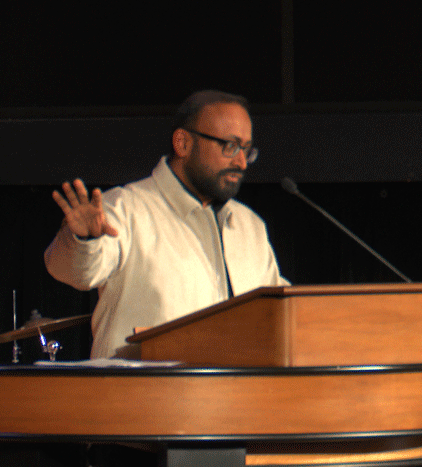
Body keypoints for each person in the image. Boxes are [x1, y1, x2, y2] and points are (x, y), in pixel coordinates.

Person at [44, 89, 288, 359]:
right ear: (183, 143)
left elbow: (282, 309)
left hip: (234, 385)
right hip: (143, 385)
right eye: (230, 146)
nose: (241, 162)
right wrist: (84, 241)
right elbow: (75, 273)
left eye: (246, 150)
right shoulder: (127, 207)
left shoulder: (249, 226)